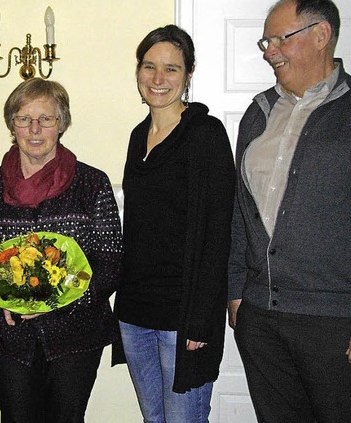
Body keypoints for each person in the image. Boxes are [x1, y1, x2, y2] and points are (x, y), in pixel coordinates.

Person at [0, 78, 123, 423]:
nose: (34, 129)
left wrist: (54, 301)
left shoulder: (91, 184)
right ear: (12, 124)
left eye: (46, 119)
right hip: (6, 333)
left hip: (76, 334)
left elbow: (109, 263)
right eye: (24, 118)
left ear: (61, 124)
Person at [228, 0, 351, 422]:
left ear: (322, 35)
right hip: (261, 317)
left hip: (335, 321)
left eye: (279, 40)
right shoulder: (258, 113)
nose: (270, 53)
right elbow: (239, 212)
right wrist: (237, 293)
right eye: (265, 43)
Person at [113, 25, 235, 423]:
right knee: (153, 419)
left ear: (188, 74)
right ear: (138, 72)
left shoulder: (205, 134)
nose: (158, 79)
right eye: (149, 67)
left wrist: (201, 320)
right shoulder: (137, 136)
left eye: (171, 68)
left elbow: (219, 233)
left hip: (183, 316)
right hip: (135, 312)